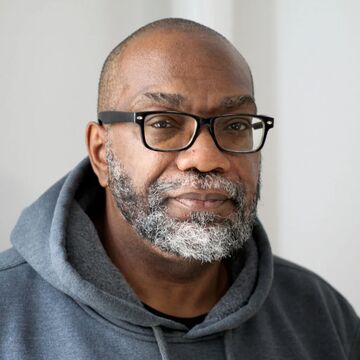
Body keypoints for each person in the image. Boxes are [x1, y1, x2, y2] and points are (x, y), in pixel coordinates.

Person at [0, 18, 359, 360]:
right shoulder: (8, 313)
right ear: (101, 153)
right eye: (162, 123)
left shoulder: (322, 317)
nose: (205, 157)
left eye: (235, 124)